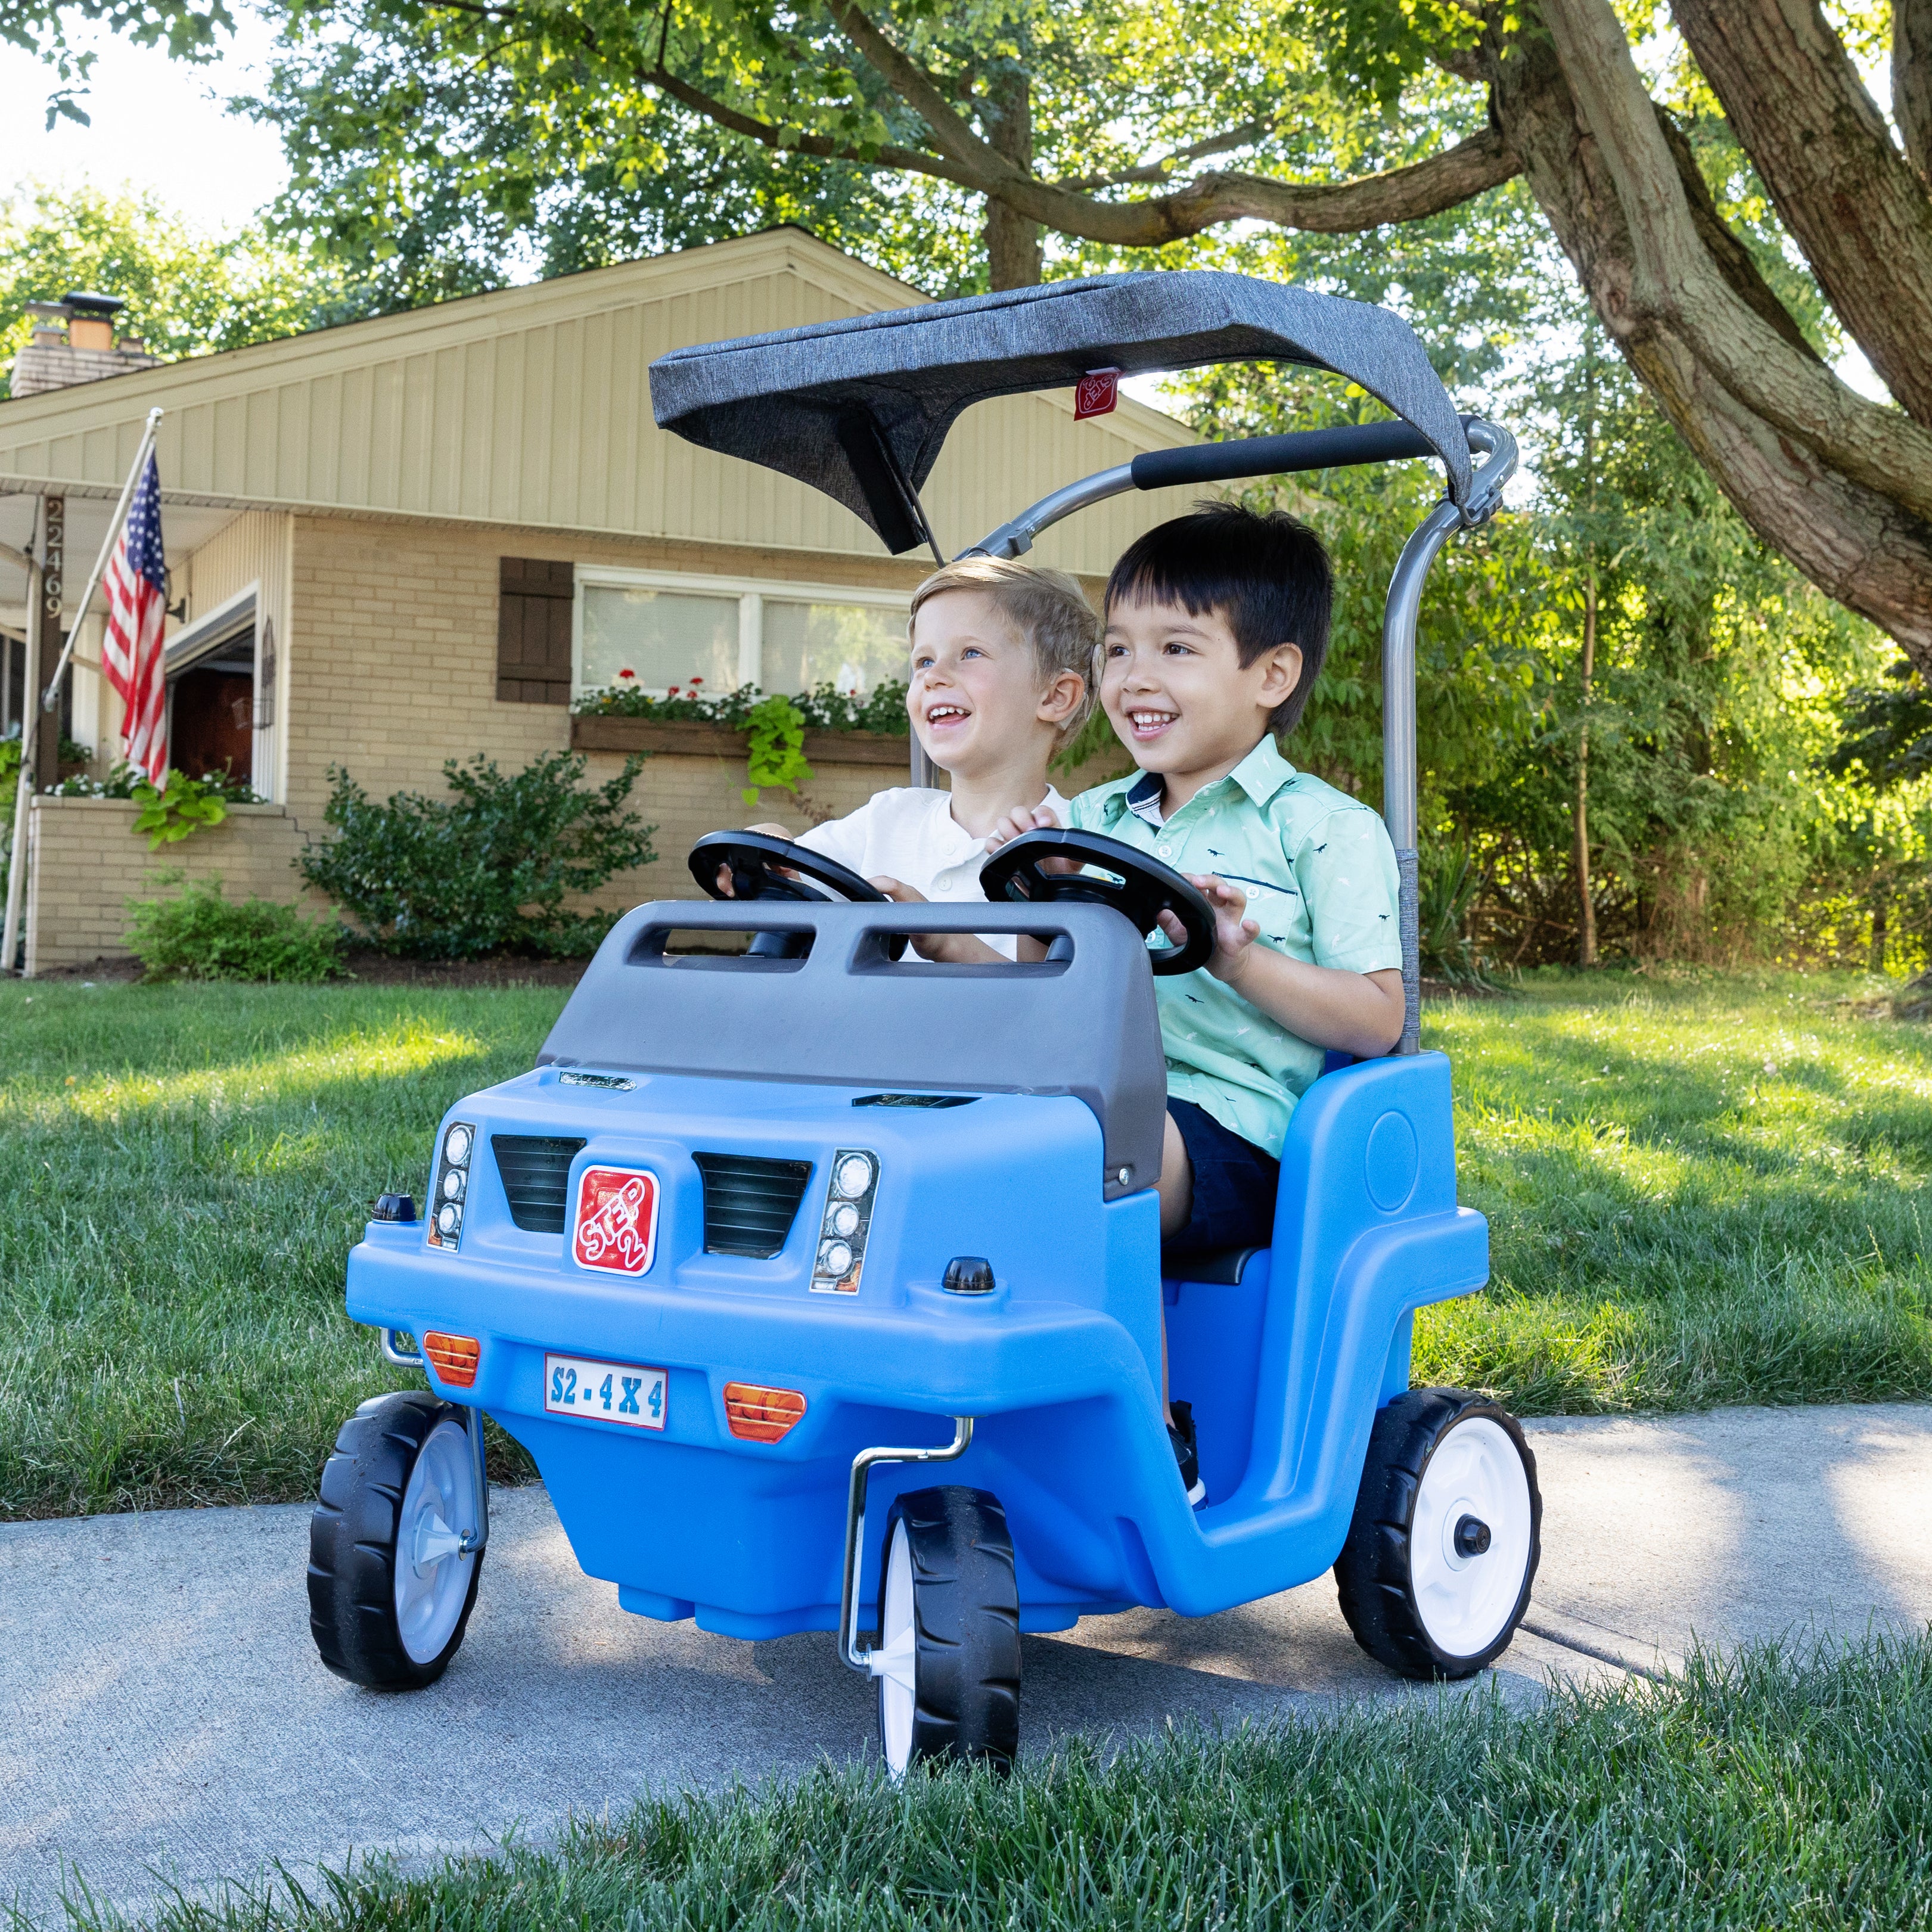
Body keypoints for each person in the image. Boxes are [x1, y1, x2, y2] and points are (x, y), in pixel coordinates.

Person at [993, 502, 1406, 1504]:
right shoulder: (1090, 817)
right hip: (1095, 1104)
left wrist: (1233, 958)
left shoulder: (1322, 830)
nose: (1134, 676)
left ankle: (1149, 1432)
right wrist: (1006, 899)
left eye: (1176, 648)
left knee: (1087, 1147)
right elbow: (1030, 980)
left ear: (1270, 674)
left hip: (1241, 1139)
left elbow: (1376, 1017)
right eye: (1119, 649)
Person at [739, 555, 1100, 961]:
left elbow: (1059, 1010)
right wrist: (770, 844)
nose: (932, 676)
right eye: (923, 661)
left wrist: (947, 943)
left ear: (1055, 696)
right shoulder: (889, 817)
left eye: (970, 653)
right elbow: (797, 873)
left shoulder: (1078, 852)